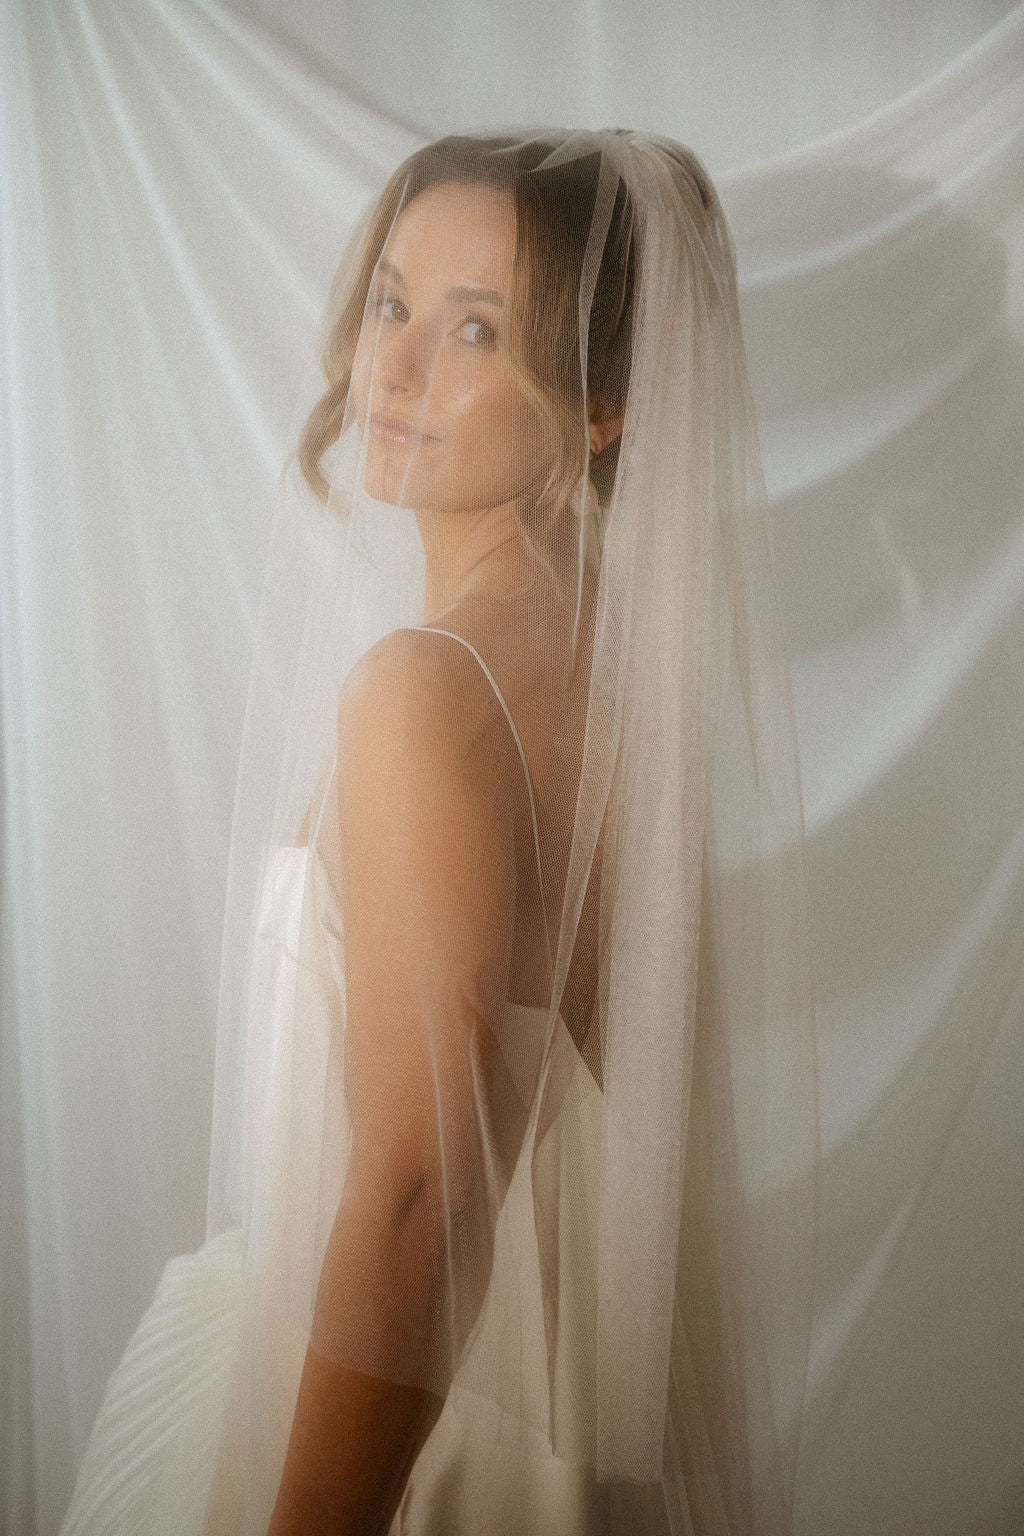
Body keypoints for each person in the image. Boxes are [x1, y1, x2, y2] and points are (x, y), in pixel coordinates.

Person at [61, 130, 818, 1536]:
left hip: (420, 1446)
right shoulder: (610, 659)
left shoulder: (426, 694)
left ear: (602, 405)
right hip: (557, 1435)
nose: (392, 367)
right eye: (393, 299)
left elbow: (421, 1192)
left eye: (474, 329)